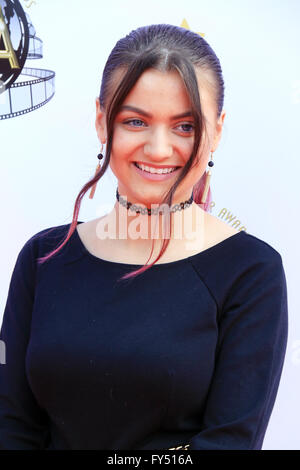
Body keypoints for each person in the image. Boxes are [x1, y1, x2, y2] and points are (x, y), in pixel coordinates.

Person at [0, 24, 288, 450]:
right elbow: (11, 424)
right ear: (102, 121)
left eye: (185, 126)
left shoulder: (250, 273)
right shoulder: (43, 258)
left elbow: (231, 441)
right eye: (136, 121)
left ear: (218, 131)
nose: (158, 149)